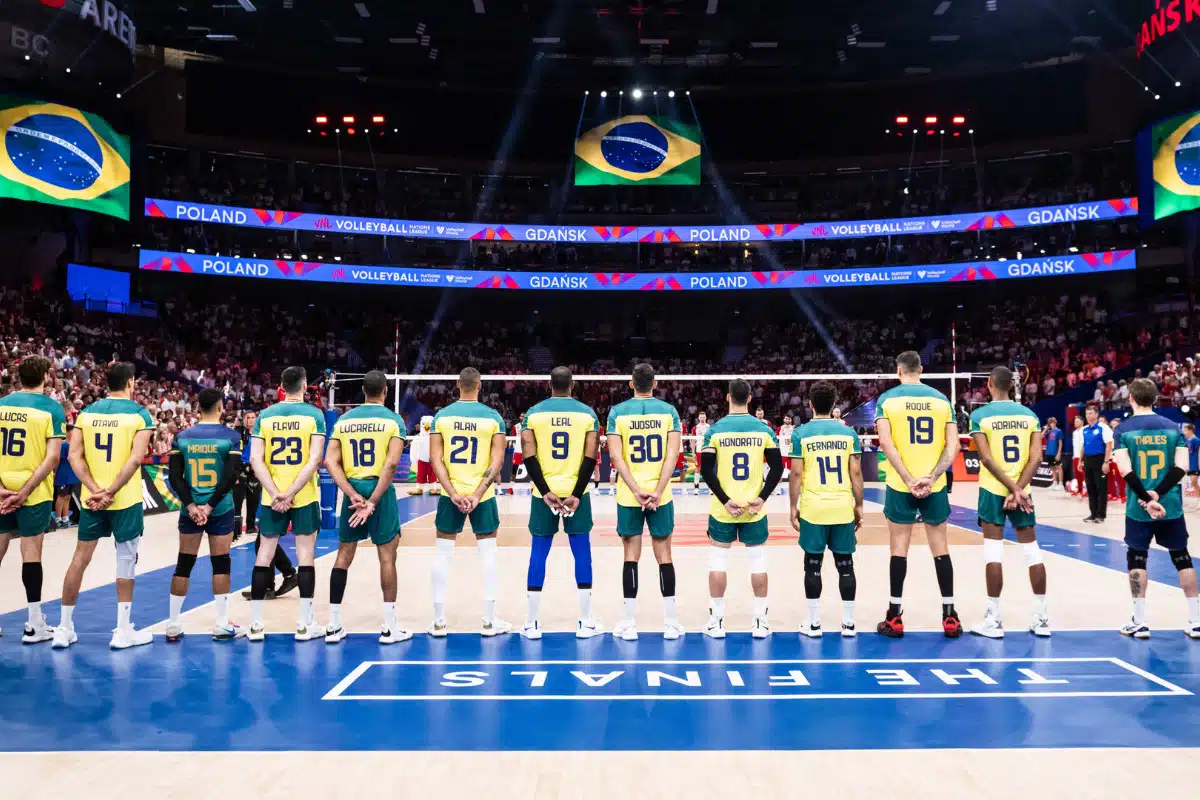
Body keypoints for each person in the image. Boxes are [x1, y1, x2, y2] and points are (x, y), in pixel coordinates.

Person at [54, 362, 155, 650]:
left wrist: (95, 489)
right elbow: (136, 459)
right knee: (125, 561)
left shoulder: (86, 413)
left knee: (79, 560)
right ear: (131, 383)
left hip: (91, 501)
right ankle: (122, 631)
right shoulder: (139, 414)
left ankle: (64, 628)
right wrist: (110, 490)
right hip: (125, 500)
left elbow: (74, 456)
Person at [874, 351, 962, 638]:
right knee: (941, 548)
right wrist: (933, 477)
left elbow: (886, 443)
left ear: (898, 370)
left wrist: (909, 479)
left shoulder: (887, 401)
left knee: (899, 548)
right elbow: (953, 447)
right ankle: (949, 615)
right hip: (933, 485)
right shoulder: (941, 400)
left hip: (902, 485)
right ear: (921, 369)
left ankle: (894, 617)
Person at [323, 370, 408, 644]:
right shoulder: (394, 421)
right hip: (379, 490)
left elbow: (330, 462)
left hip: (353, 488)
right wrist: (372, 501)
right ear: (385, 391)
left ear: (363, 390)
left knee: (344, 555)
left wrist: (351, 493)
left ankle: (333, 624)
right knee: (387, 557)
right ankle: (389, 627)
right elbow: (392, 464)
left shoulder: (344, 420)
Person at [518, 366, 602, 640]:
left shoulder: (533, 414)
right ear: (573, 385)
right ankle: (586, 621)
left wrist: (544, 491)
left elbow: (529, 456)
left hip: (543, 496)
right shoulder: (587, 414)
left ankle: (531, 623)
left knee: (538, 553)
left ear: (549, 385)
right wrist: (577, 493)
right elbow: (590, 458)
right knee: (582, 553)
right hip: (577, 495)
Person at [1113, 378, 1200, 639]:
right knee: (1182, 558)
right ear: (1155, 398)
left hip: (1138, 507)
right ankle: (1195, 621)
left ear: (1131, 398)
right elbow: (1182, 467)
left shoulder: (1123, 430)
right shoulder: (1174, 428)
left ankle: (1139, 622)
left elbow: (1125, 470)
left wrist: (1146, 498)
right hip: (1170, 504)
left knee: (1137, 557)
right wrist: (1158, 494)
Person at [428, 367, 510, 637]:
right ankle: (489, 621)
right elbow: (497, 460)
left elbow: (435, 460)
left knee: (442, 554)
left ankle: (439, 622)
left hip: (450, 495)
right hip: (482, 495)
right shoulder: (493, 418)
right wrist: (477, 492)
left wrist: (452, 492)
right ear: (480, 385)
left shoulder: (442, 417)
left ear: (456, 384)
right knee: (489, 555)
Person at [968, 366, 1050, 639]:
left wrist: (1010, 488)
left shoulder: (979, 416)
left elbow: (987, 459)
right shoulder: (1030, 416)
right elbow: (1037, 458)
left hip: (993, 490)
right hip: (1024, 491)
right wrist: (1020, 489)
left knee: (994, 553)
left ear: (991, 384)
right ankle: (1041, 620)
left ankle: (994, 620)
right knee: (1032, 552)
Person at [247, 365, 327, 641]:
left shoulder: (265, 416)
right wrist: (291, 492)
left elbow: (256, 459)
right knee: (306, 556)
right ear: (305, 386)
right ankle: (304, 624)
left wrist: (276, 492)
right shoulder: (315, 415)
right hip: (303, 494)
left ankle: (256, 625)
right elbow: (314, 459)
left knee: (264, 555)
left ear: (281, 387)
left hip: (272, 496)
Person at [700, 378, 784, 639]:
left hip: (724, 509)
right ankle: (760, 622)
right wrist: (761, 498)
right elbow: (778, 469)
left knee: (718, 562)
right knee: (758, 562)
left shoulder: (715, 431)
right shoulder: (764, 430)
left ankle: (717, 621)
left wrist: (725, 500)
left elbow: (706, 470)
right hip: (753, 509)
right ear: (749, 399)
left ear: (727, 398)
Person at [607, 363, 684, 641]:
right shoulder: (669, 412)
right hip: (660, 495)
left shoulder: (617, 412)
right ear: (655, 384)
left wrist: (637, 490)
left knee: (630, 556)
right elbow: (672, 456)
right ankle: (671, 623)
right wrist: (657, 490)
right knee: (664, 555)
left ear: (631, 384)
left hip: (629, 495)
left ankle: (629, 623)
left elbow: (616, 458)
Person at [165, 388, 245, 642]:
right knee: (221, 562)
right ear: (221, 406)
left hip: (190, 509)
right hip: (220, 509)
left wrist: (191, 505)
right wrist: (210, 506)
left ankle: (173, 624)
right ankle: (221, 624)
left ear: (198, 407)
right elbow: (231, 475)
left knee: (183, 564)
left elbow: (175, 477)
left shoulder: (182, 437)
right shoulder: (230, 437)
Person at [0, 356, 66, 643]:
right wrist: (25, 491)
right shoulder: (52, 409)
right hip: (34, 492)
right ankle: (33, 624)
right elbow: (53, 457)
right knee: (31, 556)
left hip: (2, 490)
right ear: (46, 376)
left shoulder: (2, 404)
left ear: (18, 377)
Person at [789, 380, 862, 638]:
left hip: (813, 508)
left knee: (813, 565)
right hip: (842, 507)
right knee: (846, 565)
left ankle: (814, 623)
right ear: (834, 406)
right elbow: (856, 472)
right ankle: (850, 623)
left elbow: (796, 474)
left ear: (810, 405)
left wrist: (792, 507)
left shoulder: (800, 434)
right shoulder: (848, 433)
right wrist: (859, 505)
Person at [236, 408, 297, 600]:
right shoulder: (294, 431)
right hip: (293, 489)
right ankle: (276, 582)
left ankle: (283, 577)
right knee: (264, 540)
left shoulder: (261, 434)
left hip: (272, 491)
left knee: (264, 541)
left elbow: (249, 460)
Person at [1080, 404, 1114, 523]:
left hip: (1100, 459)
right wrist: (1081, 460)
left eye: (1090, 413)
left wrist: (1106, 462)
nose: (1088, 416)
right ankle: (1093, 513)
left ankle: (1101, 514)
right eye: (1086, 414)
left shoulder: (1104, 428)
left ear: (1096, 414)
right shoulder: (1084, 430)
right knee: (1090, 487)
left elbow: (1108, 445)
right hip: (1088, 460)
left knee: (1101, 488)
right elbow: (1083, 446)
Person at [407, 415, 435, 496]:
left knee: (432, 475)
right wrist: (413, 459)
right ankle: (419, 488)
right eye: (424, 424)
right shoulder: (417, 438)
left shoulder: (435, 437)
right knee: (420, 474)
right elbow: (414, 449)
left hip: (432, 460)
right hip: (421, 459)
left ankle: (432, 488)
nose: (427, 426)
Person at [1043, 416, 1064, 489]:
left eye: (1053, 423)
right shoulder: (1049, 432)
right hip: (1049, 452)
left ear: (1055, 423)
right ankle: (1054, 483)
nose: (1052, 424)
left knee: (1059, 468)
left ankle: (1061, 484)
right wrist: (1046, 429)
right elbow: (1041, 436)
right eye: (1050, 423)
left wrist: (1058, 453)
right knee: (1052, 468)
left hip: (1055, 452)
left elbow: (1060, 443)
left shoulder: (1059, 431)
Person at [691, 412, 710, 490]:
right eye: (701, 417)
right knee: (698, 468)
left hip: (707, 450)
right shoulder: (695, 428)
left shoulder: (709, 427)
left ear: (706, 418)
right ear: (698, 418)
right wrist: (693, 453)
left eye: (703, 417)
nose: (702, 419)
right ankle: (696, 488)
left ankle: (710, 488)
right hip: (698, 450)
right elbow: (692, 441)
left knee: (708, 469)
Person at [1185, 423, 1200, 510]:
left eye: (1185, 430)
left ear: (1190, 430)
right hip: (1191, 465)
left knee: (1194, 482)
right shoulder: (1189, 441)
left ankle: (1199, 501)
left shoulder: (1196, 440)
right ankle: (1197, 501)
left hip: (1196, 465)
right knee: (1194, 483)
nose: (1184, 432)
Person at [1071, 415, 1086, 495]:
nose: (1075, 423)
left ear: (1082, 422)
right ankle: (1080, 490)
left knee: (1083, 474)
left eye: (1077, 421)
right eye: (1074, 421)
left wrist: (1082, 457)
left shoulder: (1085, 430)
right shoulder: (1074, 432)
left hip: (1083, 456)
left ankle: (1085, 490)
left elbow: (1084, 445)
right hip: (1075, 456)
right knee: (1077, 474)